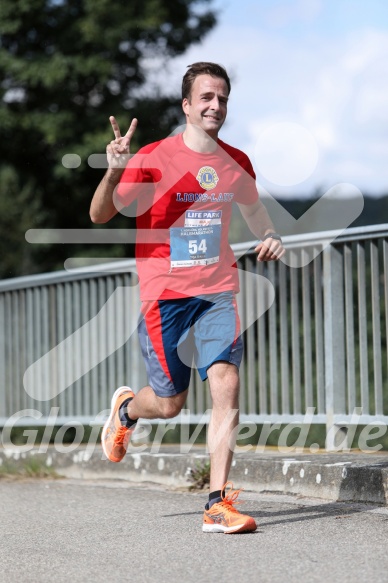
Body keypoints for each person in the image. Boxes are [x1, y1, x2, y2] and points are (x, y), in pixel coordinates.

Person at [90, 62, 285, 534]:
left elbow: (255, 208)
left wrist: (270, 235)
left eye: (222, 98)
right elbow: (99, 215)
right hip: (164, 295)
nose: (215, 106)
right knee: (171, 403)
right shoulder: (154, 158)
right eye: (206, 98)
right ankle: (127, 410)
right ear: (187, 105)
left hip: (217, 289)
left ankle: (217, 502)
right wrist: (115, 173)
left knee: (227, 382)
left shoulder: (235, 161)